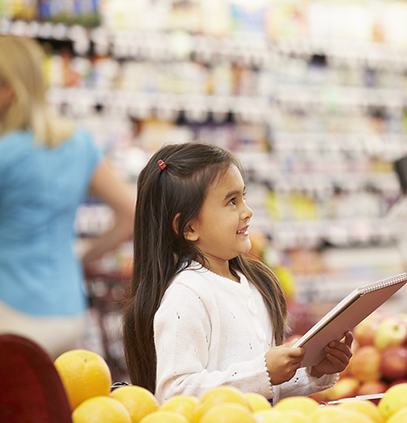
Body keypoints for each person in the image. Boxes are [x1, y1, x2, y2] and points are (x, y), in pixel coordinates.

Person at [123, 142, 353, 403]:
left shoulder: (255, 283)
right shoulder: (186, 296)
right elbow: (175, 393)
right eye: (232, 201)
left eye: (244, 196)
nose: (248, 211)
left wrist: (313, 372)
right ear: (188, 228)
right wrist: (262, 372)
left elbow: (263, 389)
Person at [0, 36, 136, 359]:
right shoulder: (78, 143)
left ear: (8, 89)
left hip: (12, 310)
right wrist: (83, 255)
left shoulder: (5, 153)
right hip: (68, 308)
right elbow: (131, 213)